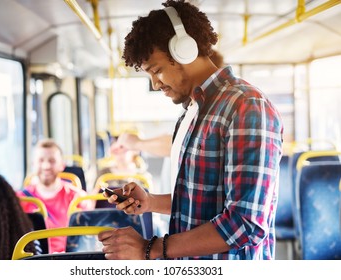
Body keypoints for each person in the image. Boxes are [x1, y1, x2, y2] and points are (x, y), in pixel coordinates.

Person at [98, 0, 283, 260]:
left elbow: (246, 224)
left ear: (183, 50)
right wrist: (150, 202)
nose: (155, 83)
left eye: (157, 70)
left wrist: (149, 249)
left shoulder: (245, 106)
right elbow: (200, 200)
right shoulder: (192, 112)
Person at [17, 138, 94, 253]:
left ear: (62, 165)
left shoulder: (77, 198)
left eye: (52, 161)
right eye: (41, 160)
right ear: (33, 164)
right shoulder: (20, 199)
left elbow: (87, 240)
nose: (46, 166)